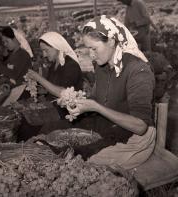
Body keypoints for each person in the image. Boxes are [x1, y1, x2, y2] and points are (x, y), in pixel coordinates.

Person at [62, 15, 155, 170]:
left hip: (135, 140)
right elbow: (97, 98)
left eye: (94, 48)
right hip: (110, 126)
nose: (91, 55)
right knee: (62, 140)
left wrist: (96, 107)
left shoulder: (137, 70)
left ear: (112, 41)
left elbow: (140, 126)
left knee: (80, 163)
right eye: (88, 49)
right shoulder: (102, 67)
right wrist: (80, 104)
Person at [20, 31, 83, 140]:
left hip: (66, 112)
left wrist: (38, 78)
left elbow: (62, 92)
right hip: (53, 107)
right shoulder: (54, 64)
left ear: (56, 47)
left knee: (29, 128)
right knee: (23, 118)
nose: (44, 54)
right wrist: (35, 87)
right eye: (42, 51)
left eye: (46, 50)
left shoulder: (70, 65)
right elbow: (50, 88)